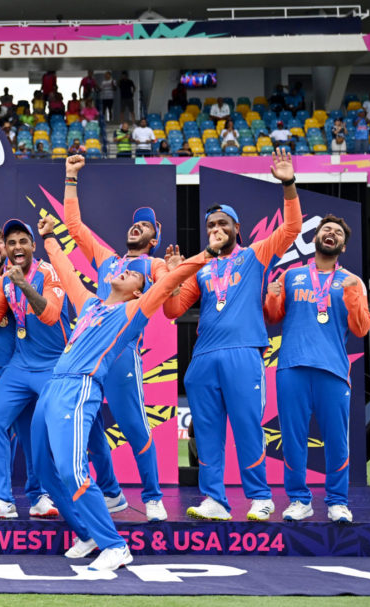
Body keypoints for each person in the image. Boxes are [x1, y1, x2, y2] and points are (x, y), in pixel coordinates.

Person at [35, 217, 219, 571]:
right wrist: (49, 240)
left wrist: (206, 254)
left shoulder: (132, 310)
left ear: (138, 291)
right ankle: (87, 533)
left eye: (136, 276)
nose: (127, 271)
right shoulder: (90, 302)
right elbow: (67, 272)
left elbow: (169, 284)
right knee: (45, 470)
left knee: (72, 470)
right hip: (53, 385)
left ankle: (115, 545)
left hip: (79, 386)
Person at [163, 148, 301, 521]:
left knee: (246, 427)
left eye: (223, 224)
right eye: (211, 226)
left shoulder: (254, 255)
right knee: (206, 434)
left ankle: (259, 496)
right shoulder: (201, 268)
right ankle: (214, 500)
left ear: (237, 229)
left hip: (243, 353)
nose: (216, 230)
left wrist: (287, 184)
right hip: (204, 358)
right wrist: (174, 279)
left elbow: (290, 229)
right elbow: (173, 311)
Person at [63, 154, 169, 520]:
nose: (137, 227)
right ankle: (111, 493)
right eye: (135, 223)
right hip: (93, 354)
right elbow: (74, 225)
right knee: (89, 427)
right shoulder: (107, 258)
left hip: (122, 353)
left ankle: (153, 496)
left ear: (155, 237)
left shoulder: (154, 265)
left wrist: (171, 271)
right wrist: (71, 177)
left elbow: (169, 287)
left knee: (133, 423)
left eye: (146, 225)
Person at [264, 215, 370, 523]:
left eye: (337, 232)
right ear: (315, 238)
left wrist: (352, 295)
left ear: (343, 245)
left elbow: (361, 328)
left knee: (337, 440)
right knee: (293, 439)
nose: (331, 234)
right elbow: (273, 317)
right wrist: (272, 297)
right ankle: (299, 500)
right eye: (326, 229)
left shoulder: (352, 281)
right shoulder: (292, 275)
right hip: (292, 367)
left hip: (334, 371)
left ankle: (338, 501)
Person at [0, 215, 68, 521]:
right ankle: (1, 499)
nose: (16, 246)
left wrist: (23, 284)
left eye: (23, 241)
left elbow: (50, 315)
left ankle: (41, 495)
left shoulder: (48, 272)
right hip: (20, 365)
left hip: (52, 364)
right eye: (11, 242)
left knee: (41, 432)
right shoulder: (5, 281)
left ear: (33, 246)